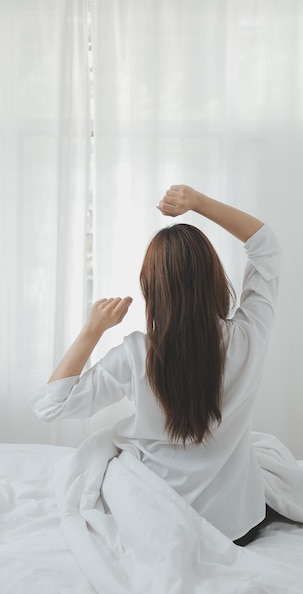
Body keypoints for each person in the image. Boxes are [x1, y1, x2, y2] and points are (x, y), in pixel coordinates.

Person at [30, 185, 281, 546]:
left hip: (163, 520)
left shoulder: (137, 354)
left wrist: (92, 330)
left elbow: (51, 405)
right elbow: (266, 245)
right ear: (214, 278)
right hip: (237, 526)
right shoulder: (248, 336)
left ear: (151, 289)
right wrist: (198, 202)